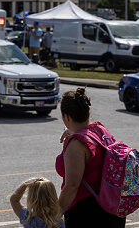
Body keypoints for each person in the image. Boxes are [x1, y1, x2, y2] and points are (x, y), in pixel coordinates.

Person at [56, 88, 126, 227]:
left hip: (86, 213)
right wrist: (70, 131)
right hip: (111, 207)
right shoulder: (101, 131)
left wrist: (54, 214)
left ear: (67, 117)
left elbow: (72, 186)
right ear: (87, 112)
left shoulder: (76, 144)